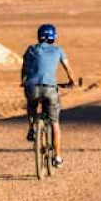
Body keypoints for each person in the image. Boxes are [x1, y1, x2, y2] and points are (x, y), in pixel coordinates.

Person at [22, 23, 77, 168]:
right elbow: (68, 68)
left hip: (32, 87)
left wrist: (24, 82)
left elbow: (25, 69)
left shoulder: (31, 49)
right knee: (54, 123)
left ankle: (32, 128)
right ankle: (58, 157)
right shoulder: (58, 50)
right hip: (50, 89)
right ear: (53, 37)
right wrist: (72, 81)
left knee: (31, 104)